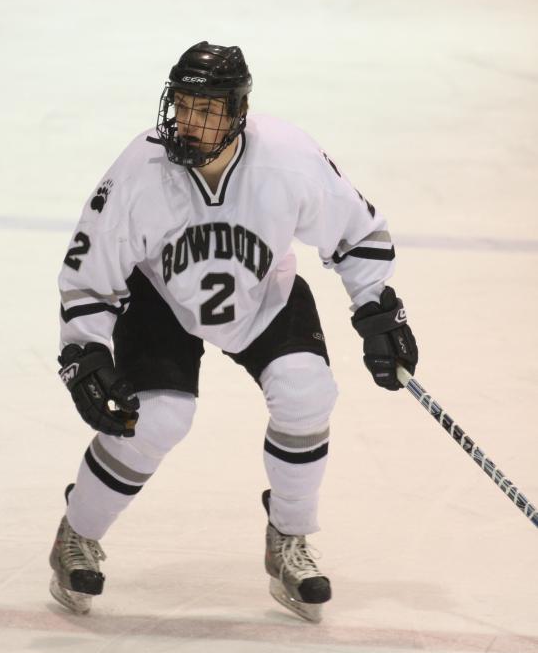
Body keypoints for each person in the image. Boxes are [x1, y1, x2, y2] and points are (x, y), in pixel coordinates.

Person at [50, 41, 418, 622]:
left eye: (207, 109)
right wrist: (86, 352)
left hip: (262, 294)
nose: (189, 123)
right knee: (158, 416)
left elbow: (357, 231)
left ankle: (290, 540)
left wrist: (377, 307)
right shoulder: (140, 170)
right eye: (183, 105)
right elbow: (89, 274)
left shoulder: (288, 157)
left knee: (307, 392)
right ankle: (79, 532)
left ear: (238, 111)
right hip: (163, 300)